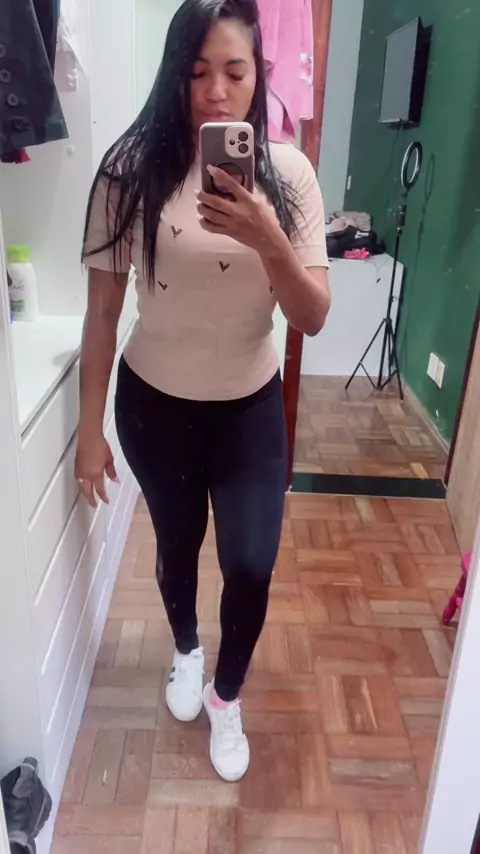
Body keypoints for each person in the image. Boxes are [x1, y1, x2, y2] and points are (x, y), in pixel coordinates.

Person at [76, 0, 330, 783]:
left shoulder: (289, 177)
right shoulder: (130, 170)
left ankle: (226, 695)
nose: (216, 91)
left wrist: (266, 234)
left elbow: (312, 315)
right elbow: (102, 311)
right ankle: (186, 649)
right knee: (177, 546)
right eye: (197, 72)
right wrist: (90, 433)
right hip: (155, 406)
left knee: (251, 564)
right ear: (174, 75)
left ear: (259, 76)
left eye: (235, 70)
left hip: (249, 410)